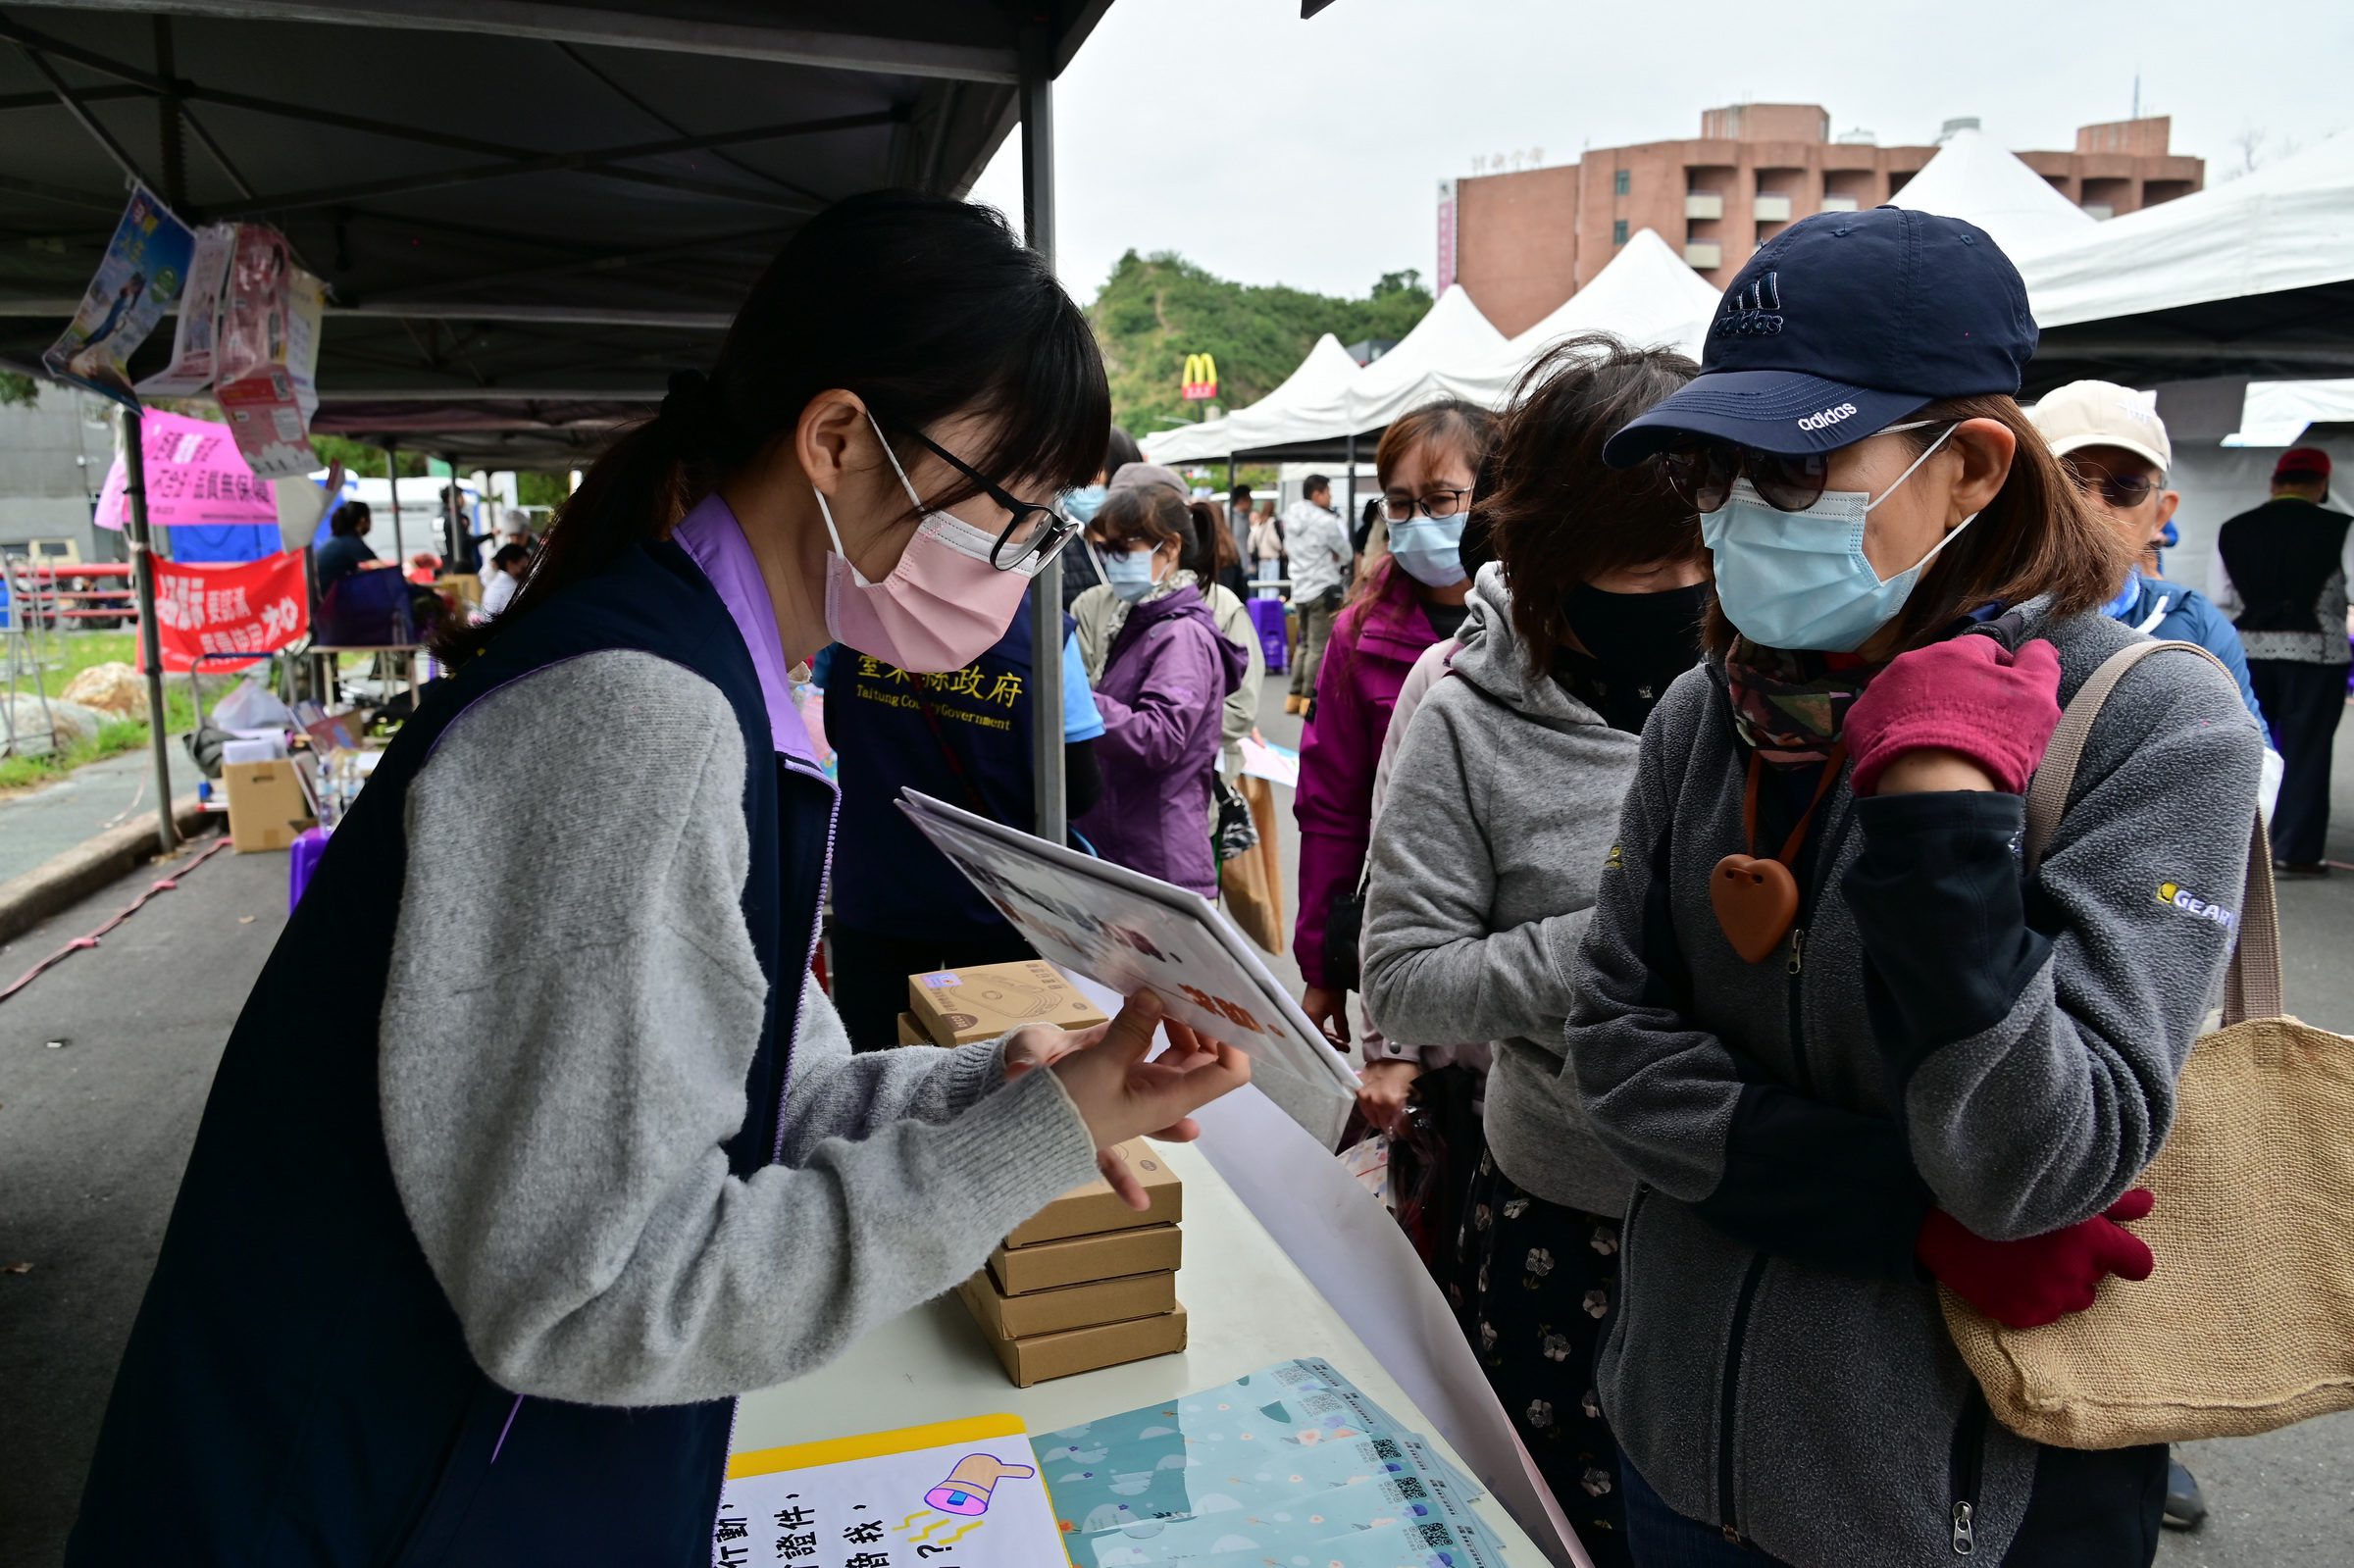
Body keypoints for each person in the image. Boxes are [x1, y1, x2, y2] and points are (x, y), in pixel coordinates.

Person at [66, 190, 1250, 1567]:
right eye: (1011, 509)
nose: (1023, 561)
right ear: (839, 439)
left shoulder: (736, 689)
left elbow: (757, 1087)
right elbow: (599, 1293)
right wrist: (1032, 1134)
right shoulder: (645, 718)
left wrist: (995, 1086)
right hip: (372, 1504)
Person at [1569, 207, 2262, 1568]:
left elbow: (2044, 1161)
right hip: (1669, 1444)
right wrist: (1908, 1213)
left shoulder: (2152, 726)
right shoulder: (1707, 713)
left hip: (1948, 1508)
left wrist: (1945, 832)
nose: (1732, 514)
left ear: (1971, 468)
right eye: (1715, 473)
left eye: (1790, 468)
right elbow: (1613, 1049)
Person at [1362, 335, 1704, 1567]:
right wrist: (1633, 942)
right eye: (1639, 552)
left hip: (1774, 1218)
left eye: (1704, 543)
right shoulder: (1461, 706)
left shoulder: (1800, 680)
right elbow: (1404, 974)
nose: (1680, 585)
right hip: (1570, 1218)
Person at [818, 586, 1105, 1051]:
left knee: (869, 1081)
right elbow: (1078, 789)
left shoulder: (859, 607)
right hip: (999, 903)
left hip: (876, 891)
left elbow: (837, 728)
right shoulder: (1042, 630)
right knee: (1003, 1073)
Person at [1293, 399, 1497, 1051]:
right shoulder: (1358, 633)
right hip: (1404, 923)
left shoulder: (1548, 619)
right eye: (1400, 504)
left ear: (1494, 497)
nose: (1418, 521)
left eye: (1440, 500)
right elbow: (1331, 809)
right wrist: (1323, 963)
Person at [2031, 379, 2280, 833]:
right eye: (2066, 480)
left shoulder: (2194, 623)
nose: (2091, 506)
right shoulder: (1973, 613)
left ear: (2161, 515)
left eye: (2125, 487)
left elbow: (2252, 769)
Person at [1071, 483, 1249, 896]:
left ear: (1168, 548)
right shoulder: (1141, 622)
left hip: (1158, 861)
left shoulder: (1182, 634)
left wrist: (1076, 701)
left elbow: (1160, 737)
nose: (1110, 560)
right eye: (1103, 548)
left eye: (1121, 548)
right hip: (1134, 849)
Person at [1076, 464, 1262, 784]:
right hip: (1103, 785)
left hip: (1191, 787)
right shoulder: (1091, 605)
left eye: (1128, 544)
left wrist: (1179, 734)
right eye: (1109, 546)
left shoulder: (1218, 608)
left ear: (1171, 541)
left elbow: (1239, 710)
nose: (1115, 558)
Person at [2213, 447, 2351, 875]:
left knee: (2253, 747)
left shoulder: (2234, 529)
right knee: (2307, 751)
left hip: (2250, 651)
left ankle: (2244, 846)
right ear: (2322, 485)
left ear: (2275, 483)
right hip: (2318, 653)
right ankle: (2297, 851)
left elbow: (2221, 596)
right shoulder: (2342, 528)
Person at [1282, 475, 1350, 715]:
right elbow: (1347, 553)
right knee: (1318, 647)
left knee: (1304, 644)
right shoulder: (1325, 521)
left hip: (1299, 589)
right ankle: (1309, 700)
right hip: (1322, 588)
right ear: (1317, 493)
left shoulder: (1290, 518)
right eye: (1328, 492)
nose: (1330, 497)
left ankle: (1293, 695)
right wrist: (1335, 555)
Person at [1057, 426, 1140, 613]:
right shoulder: (1059, 548)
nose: (1082, 482)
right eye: (1077, 470)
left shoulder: (1151, 545)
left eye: (1095, 471)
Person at [314, 498, 381, 590]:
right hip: (326, 598)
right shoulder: (350, 542)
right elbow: (382, 570)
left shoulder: (337, 539)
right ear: (363, 520)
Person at [478, 542, 530, 619]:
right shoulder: (510, 587)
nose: (526, 571)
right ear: (510, 564)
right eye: (523, 567)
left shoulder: (498, 582)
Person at [1251, 500, 1285, 597]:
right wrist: (1281, 548)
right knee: (1272, 586)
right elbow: (1273, 539)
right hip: (1272, 559)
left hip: (1261, 559)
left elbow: (1251, 541)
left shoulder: (1259, 523)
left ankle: (1262, 610)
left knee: (1262, 587)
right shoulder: (1271, 522)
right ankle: (1270, 610)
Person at [1228, 481, 1256, 565]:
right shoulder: (1229, 516)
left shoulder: (1245, 517)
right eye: (1249, 498)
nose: (1252, 501)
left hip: (1243, 564)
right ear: (1241, 500)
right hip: (1234, 564)